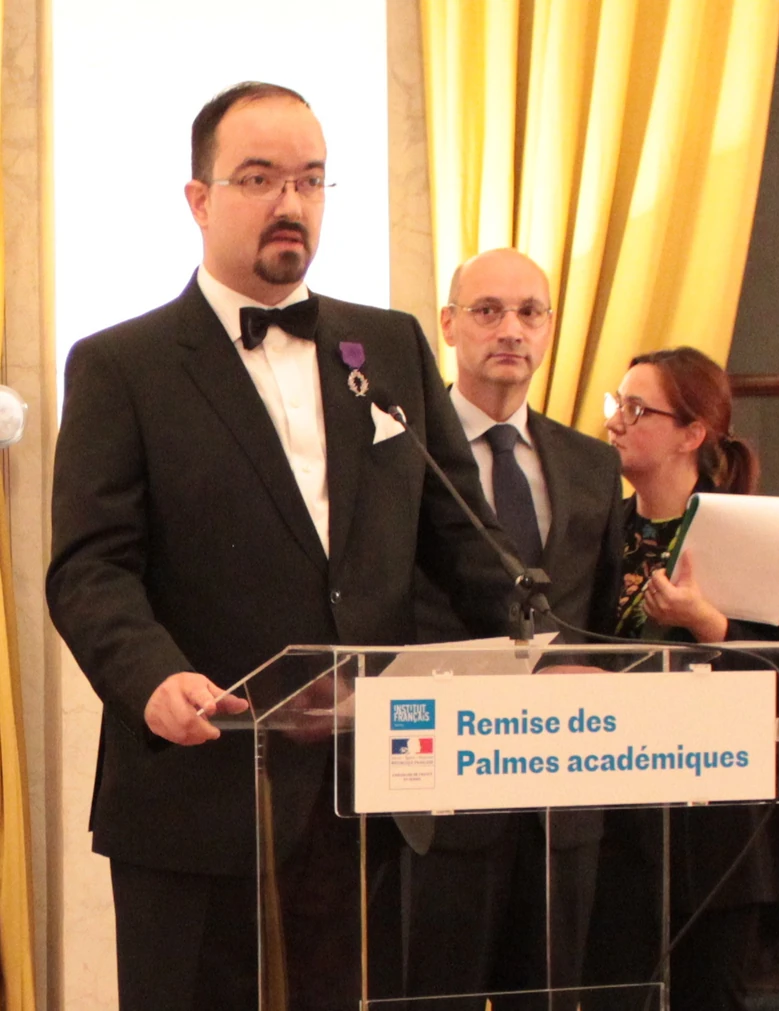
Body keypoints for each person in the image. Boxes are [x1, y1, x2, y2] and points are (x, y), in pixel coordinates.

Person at [45, 81, 516, 1011]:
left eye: (310, 178)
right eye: (259, 178)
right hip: (199, 788)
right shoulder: (121, 364)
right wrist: (152, 677)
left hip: (368, 792)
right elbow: (90, 568)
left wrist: (547, 644)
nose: (290, 202)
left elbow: (465, 539)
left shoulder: (389, 345)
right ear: (199, 199)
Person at [396, 248, 623, 1008]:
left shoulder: (592, 465)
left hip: (564, 805)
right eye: (488, 311)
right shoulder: (398, 460)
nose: (511, 330)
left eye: (530, 312)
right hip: (440, 798)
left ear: (550, 327)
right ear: (448, 324)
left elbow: (596, 621)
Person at [582, 346, 779, 1011]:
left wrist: (709, 624)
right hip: (614, 817)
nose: (615, 421)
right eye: (615, 403)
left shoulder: (748, 529)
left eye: (636, 409)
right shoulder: (598, 529)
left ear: (692, 433)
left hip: (716, 828)